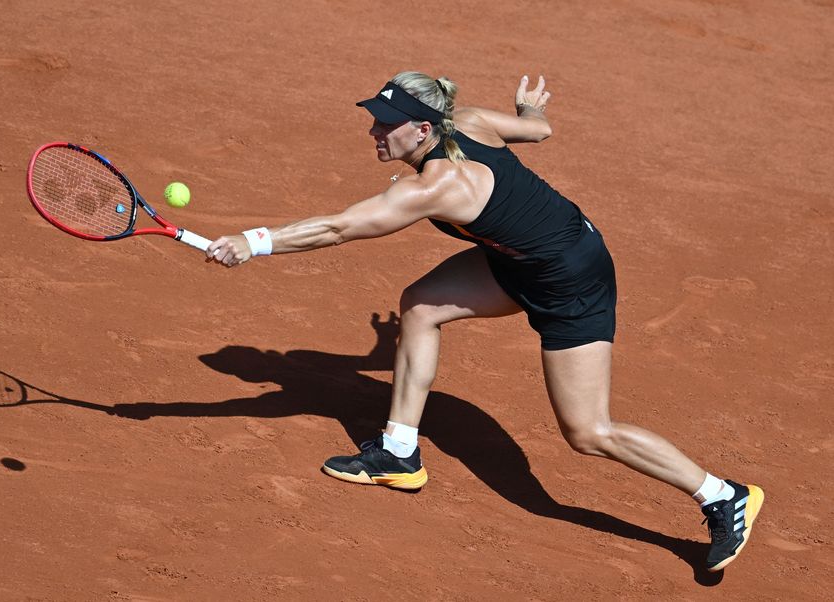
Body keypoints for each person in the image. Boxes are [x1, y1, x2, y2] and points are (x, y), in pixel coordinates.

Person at [204, 71, 763, 572]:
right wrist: (528, 112)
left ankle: (721, 494)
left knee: (589, 432)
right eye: (375, 121)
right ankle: (399, 453)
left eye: (387, 125)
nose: (375, 133)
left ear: (422, 130)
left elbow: (338, 229)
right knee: (422, 304)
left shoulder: (435, 187)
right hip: (521, 256)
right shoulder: (467, 122)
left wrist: (253, 243)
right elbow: (539, 133)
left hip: (570, 281)